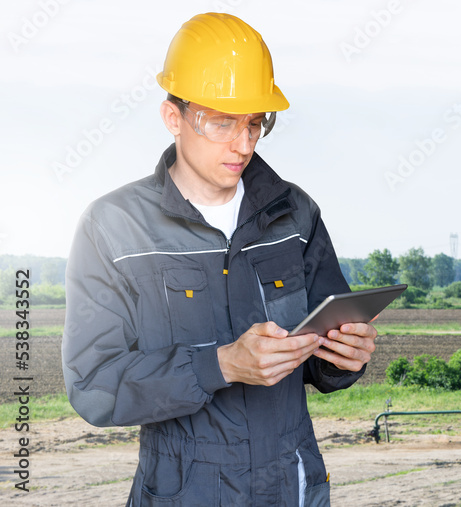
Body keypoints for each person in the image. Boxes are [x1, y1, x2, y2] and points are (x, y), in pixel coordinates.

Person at [61, 12, 375, 506]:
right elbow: (94, 386)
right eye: (222, 122)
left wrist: (344, 359)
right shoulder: (113, 227)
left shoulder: (295, 214)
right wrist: (220, 365)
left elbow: (322, 353)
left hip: (291, 484)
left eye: (255, 123)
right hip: (185, 489)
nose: (243, 144)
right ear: (173, 117)